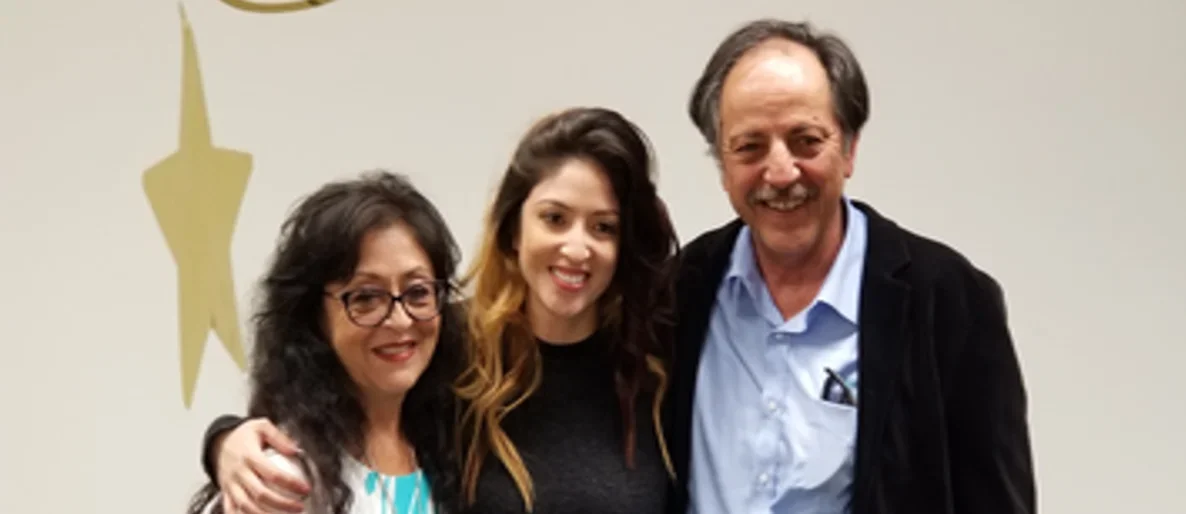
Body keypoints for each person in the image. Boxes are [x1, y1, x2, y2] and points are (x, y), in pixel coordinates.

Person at [195, 107, 681, 513]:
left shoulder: (658, 362)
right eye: (555, 218)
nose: (399, 319)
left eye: (603, 227)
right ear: (513, 228)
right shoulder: (459, 349)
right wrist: (227, 442)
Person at [663, 18, 1036, 514]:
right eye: (750, 146)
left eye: (805, 140)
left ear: (850, 148)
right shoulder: (676, 294)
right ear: (722, 166)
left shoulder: (949, 302)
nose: (780, 172)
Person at [185, 170, 465, 514]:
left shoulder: (455, 450)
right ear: (313, 315)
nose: (401, 319)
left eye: (419, 292)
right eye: (365, 297)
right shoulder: (278, 481)